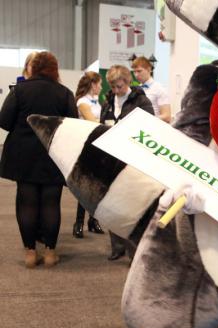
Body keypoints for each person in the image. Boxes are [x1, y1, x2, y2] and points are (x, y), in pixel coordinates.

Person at [0, 51, 78, 268]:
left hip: (23, 155)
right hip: (53, 153)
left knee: (26, 202)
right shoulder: (65, 93)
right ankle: (51, 253)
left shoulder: (19, 91)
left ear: (32, 68)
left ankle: (30, 253)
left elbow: (4, 121)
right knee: (51, 203)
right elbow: (72, 125)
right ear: (55, 70)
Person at [100, 64, 154, 261]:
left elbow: (150, 130)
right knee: (111, 203)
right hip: (111, 159)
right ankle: (117, 246)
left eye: (120, 86)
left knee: (132, 207)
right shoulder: (107, 102)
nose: (116, 90)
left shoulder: (142, 101)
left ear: (128, 82)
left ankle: (134, 250)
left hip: (133, 160)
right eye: (113, 86)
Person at [72, 72, 105, 239]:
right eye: (99, 84)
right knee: (84, 185)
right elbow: (93, 122)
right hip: (85, 145)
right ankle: (79, 223)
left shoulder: (96, 100)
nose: (101, 87)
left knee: (97, 185)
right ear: (92, 84)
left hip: (97, 144)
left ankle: (93, 220)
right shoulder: (82, 102)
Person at [131, 56, 171, 123]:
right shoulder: (136, 89)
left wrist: (146, 120)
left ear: (149, 69)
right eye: (134, 72)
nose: (136, 75)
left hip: (153, 127)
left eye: (139, 71)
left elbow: (167, 116)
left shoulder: (160, 89)